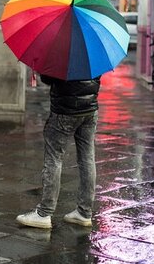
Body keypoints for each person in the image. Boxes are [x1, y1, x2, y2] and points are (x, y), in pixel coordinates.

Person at [16, 74, 100, 229]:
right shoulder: (93, 51)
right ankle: (84, 212)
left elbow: (48, 78)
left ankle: (44, 213)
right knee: (87, 158)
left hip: (65, 111)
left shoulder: (61, 51)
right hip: (90, 109)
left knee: (54, 158)